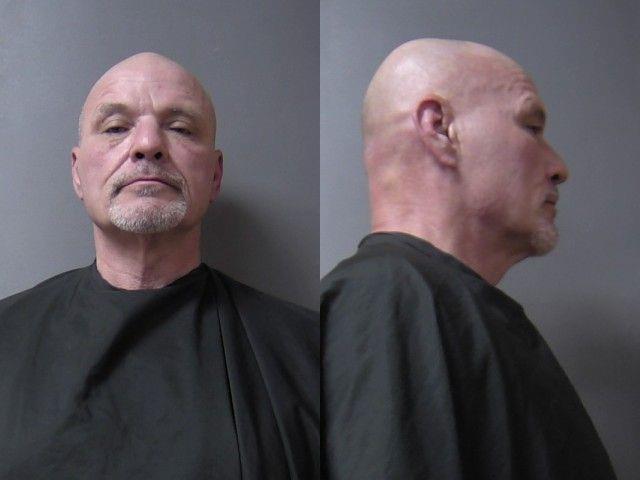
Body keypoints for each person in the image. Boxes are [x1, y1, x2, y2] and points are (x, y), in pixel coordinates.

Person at [0, 53, 318, 479]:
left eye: (180, 128)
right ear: (78, 173)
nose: (148, 144)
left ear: (214, 176)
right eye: (116, 127)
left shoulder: (311, 354)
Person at [322, 39, 616, 479]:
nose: (559, 167)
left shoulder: (429, 305)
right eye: (531, 127)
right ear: (440, 129)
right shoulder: (387, 298)